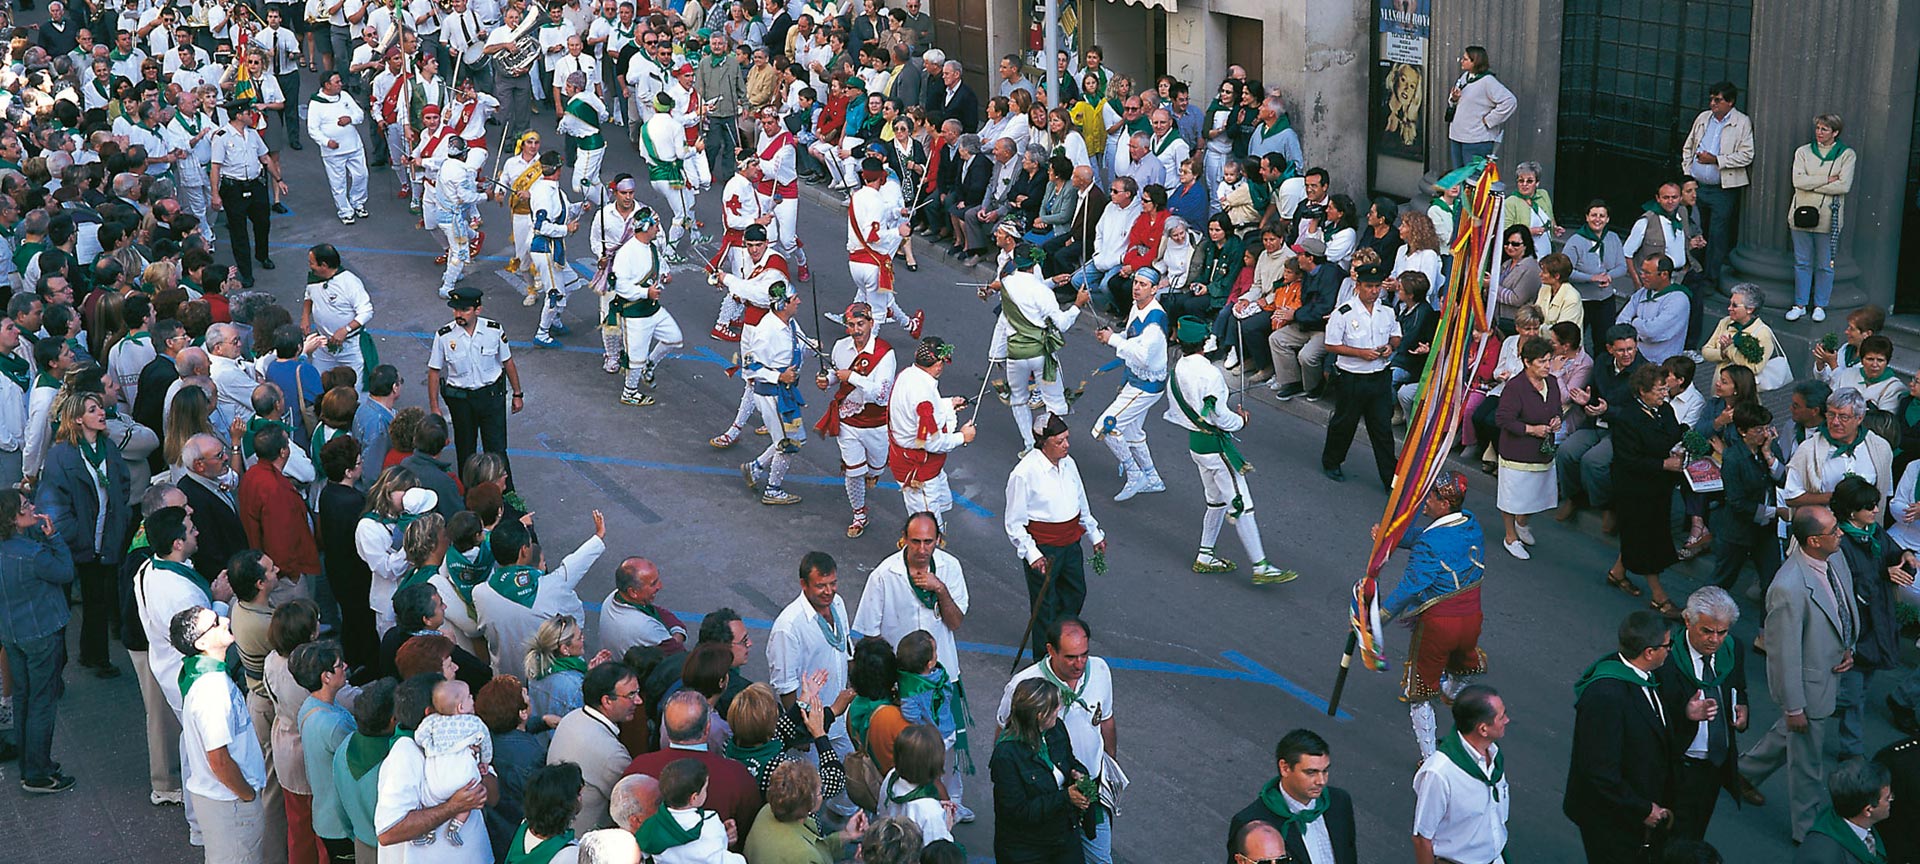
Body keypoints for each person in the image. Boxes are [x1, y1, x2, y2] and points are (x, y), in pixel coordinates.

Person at [1739, 505, 1858, 843]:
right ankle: (1807, 831)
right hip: (1807, 686)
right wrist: (1793, 707)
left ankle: (1742, 772)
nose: (1841, 533)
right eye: (1834, 530)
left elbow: (1842, 605)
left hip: (1829, 671)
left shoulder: (1834, 557)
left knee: (1793, 733)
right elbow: (1782, 654)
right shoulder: (1788, 587)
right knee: (1807, 761)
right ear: (1813, 540)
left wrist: (1847, 645)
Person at [1166, 316, 1291, 582]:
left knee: (1216, 502)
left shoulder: (1177, 369)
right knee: (1241, 503)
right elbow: (1221, 417)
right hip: (1216, 447)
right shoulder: (1210, 374)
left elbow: (1185, 409)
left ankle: (1205, 555)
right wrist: (1241, 421)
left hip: (1196, 445)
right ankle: (1260, 566)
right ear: (1204, 343)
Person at [1381, 472, 1488, 759]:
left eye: (1431, 496)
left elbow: (1410, 587)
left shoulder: (1430, 544)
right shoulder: (1471, 524)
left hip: (1439, 625)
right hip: (1471, 619)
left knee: (1420, 692)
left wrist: (1378, 618)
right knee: (1462, 665)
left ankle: (1429, 759)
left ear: (1445, 503)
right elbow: (1427, 536)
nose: (1425, 500)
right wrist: (1391, 537)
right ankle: (1450, 693)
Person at [998, 617, 1116, 863]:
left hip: (1089, 790)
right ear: (1051, 650)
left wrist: (1105, 769)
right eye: (1071, 657)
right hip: (1045, 815)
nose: (1079, 664)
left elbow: (1106, 719)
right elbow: (1004, 732)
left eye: (1084, 655)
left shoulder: (1100, 671)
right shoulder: (1022, 685)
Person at [1567, 610, 1681, 863]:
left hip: (1633, 808)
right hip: (1611, 818)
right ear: (1649, 652)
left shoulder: (1646, 674)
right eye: (1667, 645)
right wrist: (1643, 809)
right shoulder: (1606, 697)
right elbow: (1600, 771)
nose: (1670, 650)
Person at [36, 388, 131, 678]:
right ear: (77, 419)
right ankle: (56, 670)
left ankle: (96, 656)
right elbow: (53, 504)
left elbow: (122, 485)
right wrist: (76, 535)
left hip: (103, 540)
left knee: (97, 602)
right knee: (62, 608)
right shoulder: (61, 455)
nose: (101, 413)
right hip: (73, 543)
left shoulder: (108, 448)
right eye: (92, 410)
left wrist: (119, 520)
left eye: (100, 408)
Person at [1657, 587, 1761, 843]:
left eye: (1722, 632)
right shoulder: (1666, 657)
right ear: (1687, 620)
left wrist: (1742, 708)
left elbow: (1738, 687)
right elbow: (1649, 712)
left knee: (1694, 836)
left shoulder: (1733, 650)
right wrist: (1685, 713)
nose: (1715, 639)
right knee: (1663, 837)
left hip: (1712, 766)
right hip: (1676, 765)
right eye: (1706, 631)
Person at [172, 605, 270, 862]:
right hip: (231, 802)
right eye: (215, 622)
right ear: (202, 643)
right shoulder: (212, 690)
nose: (225, 620)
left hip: (225, 800)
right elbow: (218, 759)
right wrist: (247, 795)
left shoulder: (203, 675)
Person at [1003, 414, 1104, 658]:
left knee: (1075, 594)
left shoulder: (1069, 463)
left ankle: (1063, 644)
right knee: (1044, 606)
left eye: (1067, 439)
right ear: (1043, 443)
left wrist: (1094, 534)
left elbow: (1081, 501)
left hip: (1071, 544)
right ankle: (1043, 658)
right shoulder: (1024, 473)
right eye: (1059, 441)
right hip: (1044, 551)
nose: (1066, 445)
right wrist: (1032, 554)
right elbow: (1014, 523)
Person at [0, 489, 76, 794]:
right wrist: (54, 537)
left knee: (23, 699)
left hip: (12, 634)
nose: (32, 507)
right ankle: (38, 773)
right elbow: (66, 572)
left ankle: (29, 766)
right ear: (12, 518)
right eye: (25, 505)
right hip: (42, 633)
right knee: (42, 702)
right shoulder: (33, 554)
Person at [472, 511, 606, 682]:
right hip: (547, 677)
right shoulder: (552, 587)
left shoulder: (480, 593)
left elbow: (568, 570)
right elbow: (575, 618)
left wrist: (597, 539)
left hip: (506, 678)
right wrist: (598, 536)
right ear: (524, 551)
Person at [376, 672, 495, 862]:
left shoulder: (465, 737)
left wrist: (478, 764)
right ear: (431, 713)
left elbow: (494, 797)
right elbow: (388, 832)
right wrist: (453, 806)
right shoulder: (405, 752)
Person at [811, 302, 895, 537]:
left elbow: (882, 395)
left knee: (876, 467)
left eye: (861, 324)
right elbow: (837, 373)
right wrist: (827, 380)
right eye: (851, 325)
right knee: (854, 471)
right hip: (848, 421)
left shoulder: (885, 354)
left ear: (871, 323)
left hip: (876, 423)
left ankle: (873, 472)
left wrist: (853, 377)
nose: (856, 330)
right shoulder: (841, 347)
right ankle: (859, 514)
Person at [426, 286, 524, 480]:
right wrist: (435, 407)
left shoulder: (493, 330)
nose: (458, 314)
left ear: (478, 310)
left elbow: (508, 362)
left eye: (464, 310)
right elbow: (434, 371)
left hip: (491, 398)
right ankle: (468, 492)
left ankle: (505, 493)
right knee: (465, 451)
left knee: (497, 450)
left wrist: (517, 394)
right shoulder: (444, 336)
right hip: (462, 402)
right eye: (456, 309)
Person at [991, 678, 1093, 864]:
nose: (1059, 709)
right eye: (1055, 707)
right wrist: (1066, 797)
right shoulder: (1006, 755)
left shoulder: (1056, 729)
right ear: (1040, 715)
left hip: (1063, 838)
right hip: (1025, 849)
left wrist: (1079, 774)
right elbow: (1017, 811)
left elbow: (1070, 761)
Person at [1320, 261, 1399, 487]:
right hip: (1352, 378)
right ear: (1358, 286)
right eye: (1369, 286)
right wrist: (1360, 353)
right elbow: (1331, 344)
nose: (1374, 291)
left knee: (1382, 430)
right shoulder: (1344, 313)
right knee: (1344, 424)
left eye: (1377, 287)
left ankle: (1390, 479)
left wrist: (1390, 346)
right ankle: (1332, 462)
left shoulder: (1387, 312)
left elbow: (1396, 335)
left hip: (1379, 377)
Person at [1091, 269, 1168, 500]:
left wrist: (1113, 340)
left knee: (1106, 427)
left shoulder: (1155, 322)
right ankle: (1153, 478)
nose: (1136, 287)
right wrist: (1114, 336)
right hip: (1138, 380)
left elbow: (1143, 357)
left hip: (1145, 386)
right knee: (1133, 432)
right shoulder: (1138, 306)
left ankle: (1135, 474)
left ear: (1154, 289)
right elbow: (1132, 336)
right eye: (1136, 282)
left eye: (1143, 284)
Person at [1227, 728, 1358, 864]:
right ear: (1285, 768)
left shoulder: (1339, 801)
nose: (1321, 781)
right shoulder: (1251, 822)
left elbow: (1348, 854)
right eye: (1311, 772)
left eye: (1324, 771)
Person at [1411, 685, 1509, 864]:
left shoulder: (1493, 756)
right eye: (1501, 717)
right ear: (1483, 729)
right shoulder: (1439, 774)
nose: (1507, 720)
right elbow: (1422, 839)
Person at [886, 337, 976, 529]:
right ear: (939, 364)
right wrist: (963, 437)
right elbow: (933, 442)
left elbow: (918, 413)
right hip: (918, 470)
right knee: (928, 526)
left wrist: (949, 404)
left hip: (918, 460)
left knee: (938, 507)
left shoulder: (908, 374)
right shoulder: (923, 397)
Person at [736, 282, 809, 505]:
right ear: (783, 304)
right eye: (794, 298)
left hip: (785, 392)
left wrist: (816, 347)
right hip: (772, 395)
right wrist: (779, 376)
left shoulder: (790, 323)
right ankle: (772, 489)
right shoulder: (766, 330)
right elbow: (750, 366)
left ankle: (755, 467)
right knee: (788, 444)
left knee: (793, 438)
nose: (799, 301)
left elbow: (801, 343)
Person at [605, 205, 683, 406]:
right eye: (656, 225)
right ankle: (629, 392)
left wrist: (664, 276)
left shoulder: (652, 247)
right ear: (646, 227)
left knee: (674, 338)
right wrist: (645, 293)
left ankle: (650, 365)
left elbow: (659, 266)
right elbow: (620, 286)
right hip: (634, 312)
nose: (658, 228)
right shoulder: (627, 253)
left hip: (653, 309)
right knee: (636, 358)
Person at [1494, 336, 1562, 558]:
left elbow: (1556, 408)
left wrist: (1557, 420)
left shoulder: (1552, 383)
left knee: (1536, 494)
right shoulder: (1515, 387)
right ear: (1527, 362)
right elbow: (1503, 419)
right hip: (1517, 453)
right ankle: (1510, 537)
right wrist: (1532, 430)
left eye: (1549, 360)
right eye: (1542, 361)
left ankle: (1522, 524)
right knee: (1511, 498)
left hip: (1542, 453)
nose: (1547, 366)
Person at [209, 99, 287, 289]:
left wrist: (278, 179)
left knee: (262, 223)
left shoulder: (252, 134)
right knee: (239, 231)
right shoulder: (222, 137)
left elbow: (265, 158)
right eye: (247, 113)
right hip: (233, 188)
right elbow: (215, 167)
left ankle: (262, 255)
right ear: (238, 115)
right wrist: (215, 194)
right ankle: (246, 272)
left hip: (256, 185)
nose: (251, 115)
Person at [1786, 114, 1856, 323]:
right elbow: (1797, 181)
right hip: (1800, 214)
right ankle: (1800, 305)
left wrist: (1810, 183)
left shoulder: (1846, 155)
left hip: (1827, 218)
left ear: (1835, 132)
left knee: (1825, 264)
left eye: (1824, 129)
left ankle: (1819, 305)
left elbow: (1843, 185)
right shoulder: (1803, 152)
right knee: (1802, 262)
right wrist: (1827, 180)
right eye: (1818, 128)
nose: (1819, 132)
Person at [746, 760, 867, 864]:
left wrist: (847, 834)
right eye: (820, 791)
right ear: (808, 803)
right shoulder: (805, 856)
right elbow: (812, 853)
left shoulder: (768, 810)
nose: (822, 794)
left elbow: (818, 848)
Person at [1796, 760, 1893, 864]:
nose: (1891, 799)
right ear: (1868, 810)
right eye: (1887, 798)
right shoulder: (1822, 857)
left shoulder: (1858, 821)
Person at [306, 72, 371, 225]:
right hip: (333, 152)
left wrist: (350, 119)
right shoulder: (316, 104)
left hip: (354, 146)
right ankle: (345, 211)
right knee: (338, 183)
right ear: (327, 85)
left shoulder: (345, 96)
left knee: (362, 175)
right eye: (337, 82)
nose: (341, 84)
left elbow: (360, 115)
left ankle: (358, 202)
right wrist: (326, 142)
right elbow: (313, 129)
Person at [599, 557, 691, 657]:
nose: (660, 586)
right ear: (633, 592)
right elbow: (677, 652)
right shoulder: (645, 628)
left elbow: (657, 611)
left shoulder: (613, 598)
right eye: (653, 584)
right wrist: (678, 632)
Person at [507, 762, 585, 863]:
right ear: (566, 805)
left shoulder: (524, 826)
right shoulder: (570, 854)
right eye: (578, 794)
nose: (580, 797)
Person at [1699, 284, 1776, 379]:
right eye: (1730, 304)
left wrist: (1729, 350)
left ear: (1750, 309)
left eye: (1734, 305)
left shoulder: (1763, 333)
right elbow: (1706, 351)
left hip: (1742, 386)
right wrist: (1721, 353)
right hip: (1719, 383)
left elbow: (1754, 367)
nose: (1729, 308)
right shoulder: (1725, 322)